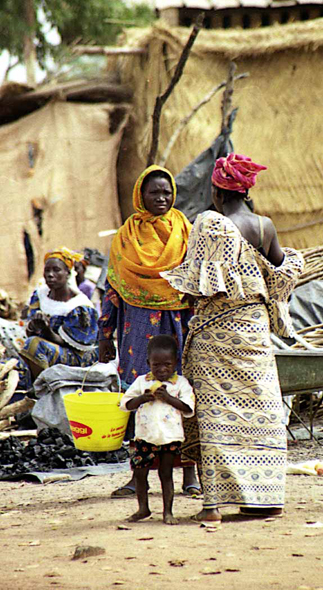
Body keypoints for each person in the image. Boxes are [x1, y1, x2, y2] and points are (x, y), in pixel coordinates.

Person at [162, 153, 304, 524]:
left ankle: (213, 506)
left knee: (216, 415)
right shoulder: (264, 226)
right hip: (254, 331)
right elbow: (279, 271)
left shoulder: (209, 224)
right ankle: (267, 499)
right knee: (261, 411)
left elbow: (196, 285)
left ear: (217, 191)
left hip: (217, 334)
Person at [98, 164, 201, 498]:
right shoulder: (126, 236)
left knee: (182, 394)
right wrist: (104, 333)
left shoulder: (186, 230)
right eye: (154, 192)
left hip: (179, 327)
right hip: (137, 328)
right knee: (139, 396)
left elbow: (199, 282)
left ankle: (189, 472)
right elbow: (112, 287)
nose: (162, 198)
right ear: (140, 195)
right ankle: (137, 474)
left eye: (167, 192)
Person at [120, 334, 195, 525]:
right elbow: (125, 404)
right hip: (144, 437)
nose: (162, 370)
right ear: (148, 363)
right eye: (156, 365)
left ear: (175, 363)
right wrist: (142, 398)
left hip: (170, 437)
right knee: (140, 473)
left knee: (166, 474)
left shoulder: (180, 384)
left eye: (167, 365)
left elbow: (188, 409)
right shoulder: (141, 382)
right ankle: (143, 508)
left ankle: (167, 512)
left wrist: (169, 398)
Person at [17, 247, 99, 390]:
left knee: (34, 345)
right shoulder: (40, 295)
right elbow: (29, 331)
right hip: (49, 349)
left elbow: (77, 346)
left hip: (77, 356)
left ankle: (41, 388)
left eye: (56, 270)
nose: (50, 275)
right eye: (47, 271)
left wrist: (46, 330)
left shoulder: (79, 306)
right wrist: (34, 325)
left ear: (68, 273)